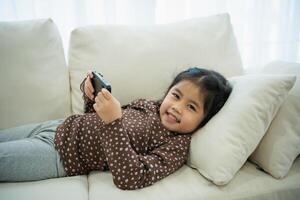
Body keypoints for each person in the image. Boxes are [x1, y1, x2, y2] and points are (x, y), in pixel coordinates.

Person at [0, 67, 232, 190]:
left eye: (191, 106)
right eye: (176, 95)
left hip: (60, 156)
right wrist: (93, 98)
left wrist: (113, 121)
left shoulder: (176, 145)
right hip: (59, 126)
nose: (177, 108)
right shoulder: (149, 105)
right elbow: (99, 122)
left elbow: (131, 177)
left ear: (204, 120)